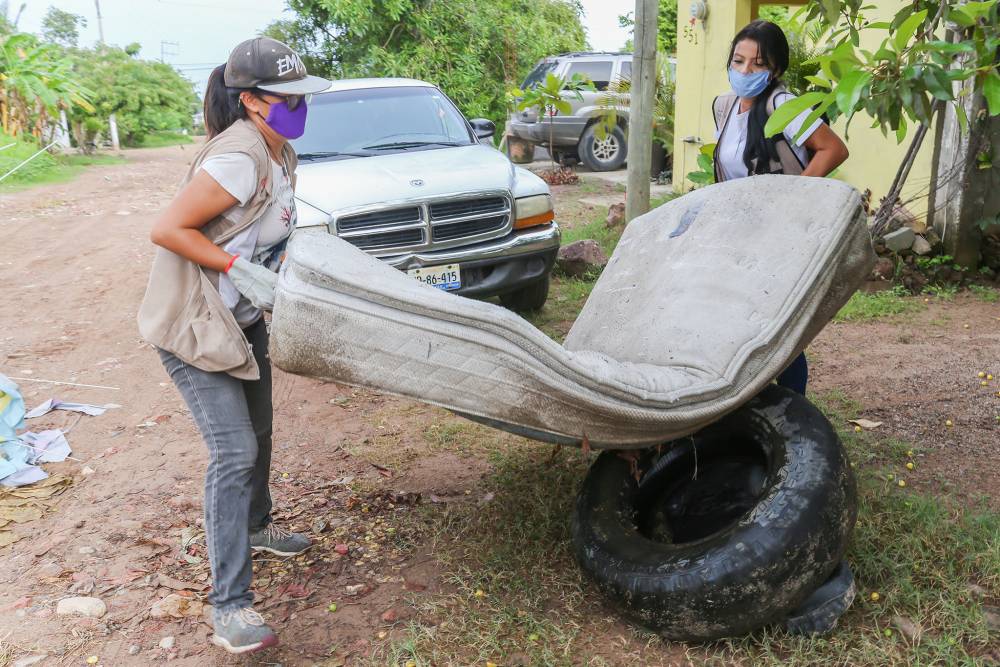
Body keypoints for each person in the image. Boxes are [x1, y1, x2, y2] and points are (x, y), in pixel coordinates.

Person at [137, 37, 330, 655]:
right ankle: (230, 606)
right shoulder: (239, 157)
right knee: (234, 451)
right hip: (195, 327)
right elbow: (167, 229)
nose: (299, 105)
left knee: (262, 433)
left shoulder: (281, 151)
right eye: (287, 97)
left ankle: (257, 527)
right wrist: (234, 267)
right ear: (251, 101)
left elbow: (273, 232)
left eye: (303, 94)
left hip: (241, 318)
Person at [712, 19, 849, 395]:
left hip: (781, 235)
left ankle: (791, 410)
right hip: (738, 234)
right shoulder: (724, 107)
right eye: (738, 61)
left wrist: (792, 201)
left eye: (757, 64)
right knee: (739, 320)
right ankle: (744, 401)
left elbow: (833, 149)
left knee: (778, 327)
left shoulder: (782, 104)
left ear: (776, 69)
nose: (744, 71)